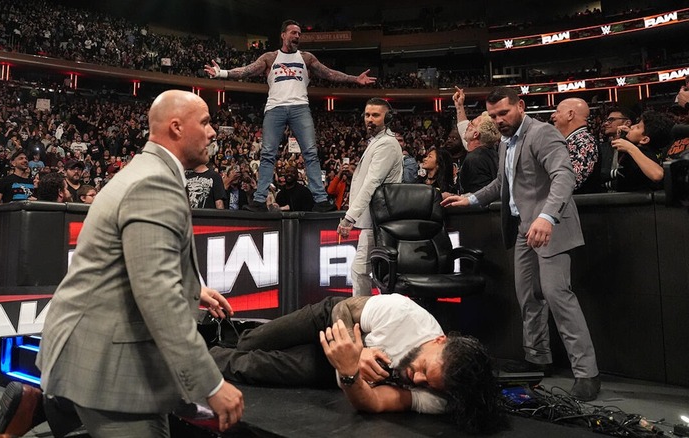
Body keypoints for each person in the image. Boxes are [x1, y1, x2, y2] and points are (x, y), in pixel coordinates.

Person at [0, 90, 244, 437]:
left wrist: (194, 288)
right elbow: (157, 294)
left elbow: (135, 260)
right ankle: (38, 408)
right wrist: (211, 384)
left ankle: (37, 407)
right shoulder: (155, 183)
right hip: (105, 364)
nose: (213, 132)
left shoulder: (147, 170)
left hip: (89, 346)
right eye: (205, 122)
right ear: (176, 127)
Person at [442, 87, 600, 402]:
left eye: (504, 112)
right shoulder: (505, 142)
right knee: (527, 296)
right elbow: (503, 183)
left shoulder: (542, 134)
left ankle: (587, 373)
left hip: (551, 226)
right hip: (524, 228)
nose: (499, 120)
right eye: (493, 115)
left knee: (558, 296)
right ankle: (538, 358)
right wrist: (470, 198)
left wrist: (547, 217)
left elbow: (564, 176)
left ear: (521, 106)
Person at [210, 294, 506, 434]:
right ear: (439, 340)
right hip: (329, 318)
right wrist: (358, 348)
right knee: (251, 342)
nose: (418, 381)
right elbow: (344, 308)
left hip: (337, 367)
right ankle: (226, 335)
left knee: (250, 366)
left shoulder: (442, 396)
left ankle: (201, 355)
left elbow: (373, 402)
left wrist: (350, 370)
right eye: (425, 370)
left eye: (428, 384)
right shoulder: (403, 314)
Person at [205, 19, 376, 213]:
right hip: (275, 108)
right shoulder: (270, 57)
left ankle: (321, 200)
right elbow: (246, 71)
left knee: (310, 153)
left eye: (299, 34)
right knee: (268, 154)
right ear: (283, 35)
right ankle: (259, 201)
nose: (297, 36)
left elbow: (329, 73)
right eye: (293, 32)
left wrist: (354, 78)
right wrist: (222, 73)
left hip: (300, 107)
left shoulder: (306, 58)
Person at [337, 98, 403, 297]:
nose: (370, 119)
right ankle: (369, 312)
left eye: (375, 115)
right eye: (367, 115)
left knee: (363, 271)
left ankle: (364, 313)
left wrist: (349, 218)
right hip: (374, 220)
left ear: (387, 118)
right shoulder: (378, 142)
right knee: (368, 271)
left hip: (379, 220)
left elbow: (371, 183)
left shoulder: (386, 144)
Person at [610, 110, 673, 192]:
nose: (632, 127)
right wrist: (629, 134)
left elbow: (657, 175)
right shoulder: (651, 150)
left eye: (638, 127)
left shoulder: (643, 153)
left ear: (645, 140)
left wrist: (630, 148)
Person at [550, 98, 599, 192]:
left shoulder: (584, 141)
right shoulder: (574, 140)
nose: (553, 115)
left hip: (579, 200)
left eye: (557, 111)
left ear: (570, 115)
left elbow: (569, 181)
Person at [458, 111, 499, 194]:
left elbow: (479, 195)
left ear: (475, 134)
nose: (468, 124)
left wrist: (453, 197)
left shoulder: (475, 160)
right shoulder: (491, 153)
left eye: (471, 123)